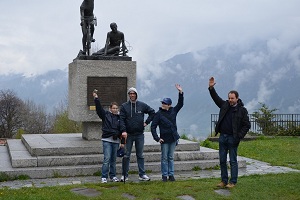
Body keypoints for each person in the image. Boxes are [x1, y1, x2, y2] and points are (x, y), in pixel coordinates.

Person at [208, 77, 251, 188]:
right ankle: (224, 181)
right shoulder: (225, 105)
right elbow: (215, 98)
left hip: (233, 138)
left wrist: (239, 136)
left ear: (237, 98)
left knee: (232, 161)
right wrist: (211, 88)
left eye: (232, 98)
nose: (230, 100)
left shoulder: (242, 110)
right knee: (222, 160)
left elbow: (247, 125)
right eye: (229, 98)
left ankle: (233, 182)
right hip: (223, 137)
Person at [119, 87, 155, 182]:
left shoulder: (142, 105)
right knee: (126, 155)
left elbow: (152, 112)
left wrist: (146, 122)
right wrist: (123, 131)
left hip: (139, 134)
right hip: (128, 135)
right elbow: (121, 120)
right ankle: (124, 175)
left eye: (133, 93)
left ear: (136, 94)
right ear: (128, 95)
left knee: (140, 155)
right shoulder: (124, 106)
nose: (132, 95)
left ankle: (142, 174)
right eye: (130, 93)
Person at [151, 84, 184, 182]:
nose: (163, 104)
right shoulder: (158, 114)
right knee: (164, 158)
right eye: (163, 103)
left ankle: (171, 175)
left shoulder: (174, 110)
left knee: (170, 157)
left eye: (165, 103)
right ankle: (164, 176)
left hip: (173, 138)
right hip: (164, 139)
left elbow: (180, 104)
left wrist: (180, 92)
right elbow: (153, 127)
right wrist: (157, 138)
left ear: (169, 105)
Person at [93, 90, 126, 183]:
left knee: (113, 160)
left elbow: (123, 130)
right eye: (113, 108)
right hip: (107, 140)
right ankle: (104, 177)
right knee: (107, 159)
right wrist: (96, 99)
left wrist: (122, 142)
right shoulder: (105, 115)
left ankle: (113, 176)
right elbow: (99, 109)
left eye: (116, 108)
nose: (115, 109)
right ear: (110, 108)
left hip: (116, 141)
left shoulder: (120, 118)